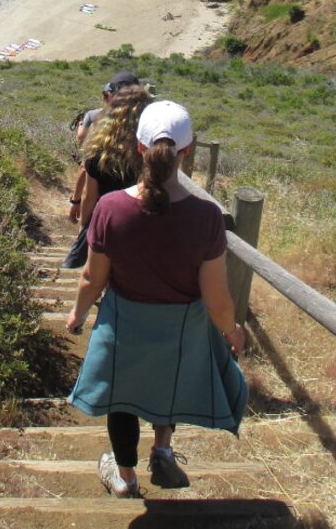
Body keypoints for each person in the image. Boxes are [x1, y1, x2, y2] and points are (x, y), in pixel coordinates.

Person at [65, 100, 247, 497]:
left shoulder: (111, 209)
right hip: (182, 327)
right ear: (187, 150)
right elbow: (216, 297)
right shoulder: (206, 217)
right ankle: (163, 449)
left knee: (122, 398)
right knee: (168, 386)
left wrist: (77, 315)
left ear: (139, 147)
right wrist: (232, 330)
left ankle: (126, 478)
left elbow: (92, 278)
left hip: (125, 322)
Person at [62, 84, 152, 270]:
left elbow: (89, 195)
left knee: (93, 274)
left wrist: (85, 227)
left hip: (104, 221)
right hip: (138, 226)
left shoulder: (99, 154)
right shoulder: (149, 154)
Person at [67, 71, 140, 220]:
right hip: (134, 216)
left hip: (102, 214)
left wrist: (76, 201)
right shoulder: (145, 130)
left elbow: (87, 185)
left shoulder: (96, 121)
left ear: (109, 96)